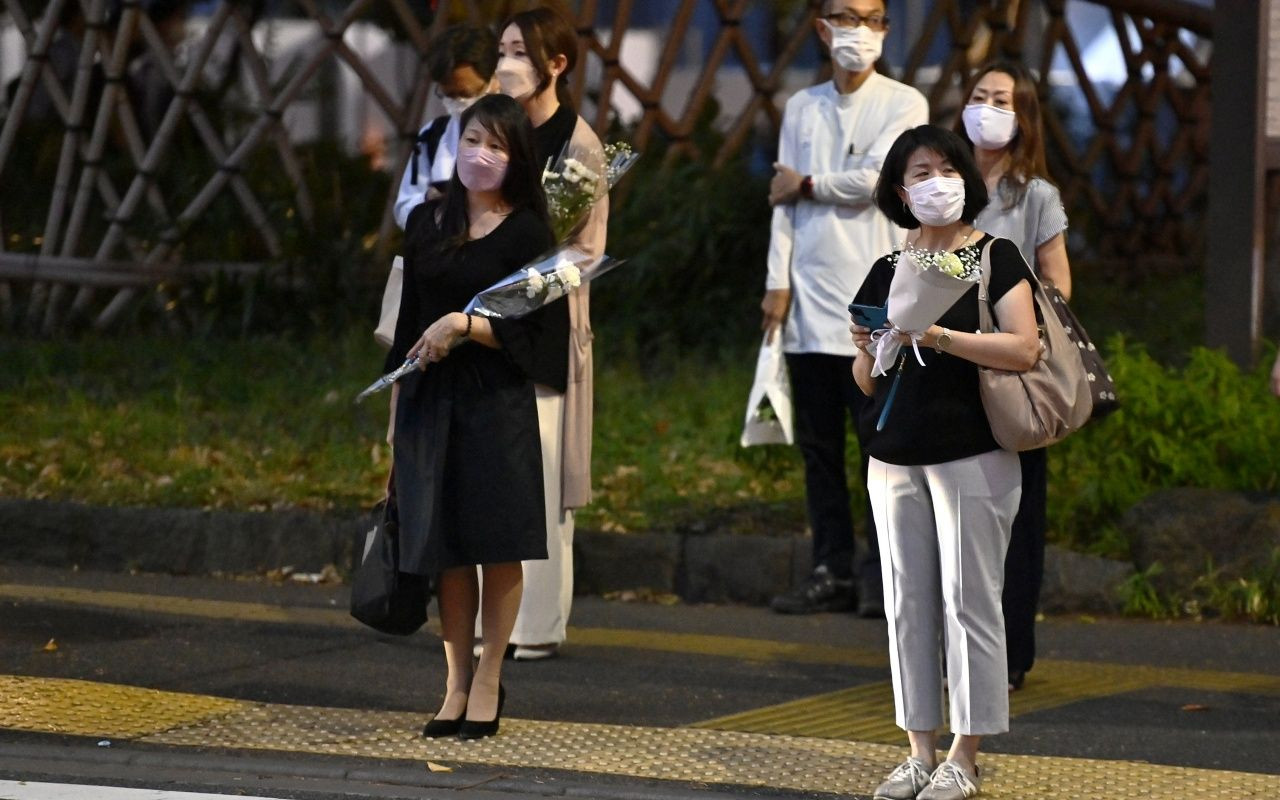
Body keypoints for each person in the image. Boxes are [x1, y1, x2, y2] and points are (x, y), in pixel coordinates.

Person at [851, 125, 1039, 800]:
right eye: (919, 173)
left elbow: (1024, 349)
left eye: (945, 168)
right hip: (894, 455)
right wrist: (875, 346)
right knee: (907, 606)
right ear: (900, 192)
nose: (934, 182)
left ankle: (967, 752)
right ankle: (917, 751)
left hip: (973, 451)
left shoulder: (991, 256)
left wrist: (936, 334)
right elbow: (865, 380)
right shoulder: (886, 267)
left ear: (965, 177)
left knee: (971, 603)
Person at [385, 94, 560, 740]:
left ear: (516, 160)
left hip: (495, 402)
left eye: (496, 146)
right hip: (430, 403)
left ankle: (490, 676)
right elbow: (406, 332)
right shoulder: (427, 224)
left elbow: (539, 334)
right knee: (447, 551)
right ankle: (454, 682)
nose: (479, 156)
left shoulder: (529, 234)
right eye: (471, 141)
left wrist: (466, 325)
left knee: (497, 543)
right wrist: (395, 431)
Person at [763, 0, 927, 617]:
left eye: (872, 17)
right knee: (819, 449)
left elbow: (880, 181)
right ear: (822, 27)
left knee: (879, 450)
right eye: (845, 16)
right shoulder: (801, 108)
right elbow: (781, 201)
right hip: (806, 302)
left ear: (885, 29)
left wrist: (809, 184)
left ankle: (883, 574)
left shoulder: (905, 103)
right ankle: (830, 569)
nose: (858, 30)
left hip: (875, 307)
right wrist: (775, 281)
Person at [486, 5, 608, 660]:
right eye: (502, 49)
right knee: (490, 470)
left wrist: (513, 289)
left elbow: (584, 251)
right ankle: (489, 620)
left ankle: (534, 626)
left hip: (543, 326)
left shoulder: (580, 145)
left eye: (521, 53)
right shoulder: (492, 127)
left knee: (540, 477)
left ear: (557, 64)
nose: (506, 64)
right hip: (485, 325)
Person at [954, 61, 1071, 693]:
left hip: (1013, 378)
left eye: (1003, 100)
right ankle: (958, 650)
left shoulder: (1036, 196)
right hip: (946, 369)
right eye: (979, 97)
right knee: (957, 518)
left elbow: (1059, 285)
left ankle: (1011, 653)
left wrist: (1008, 310)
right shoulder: (942, 183)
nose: (989, 108)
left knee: (1017, 519)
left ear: (1024, 114)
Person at [392, 24, 499, 230]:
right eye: (448, 95)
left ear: (494, 80)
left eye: (466, 93)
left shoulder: (523, 130)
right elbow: (403, 208)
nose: (458, 102)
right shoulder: (432, 136)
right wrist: (428, 202)